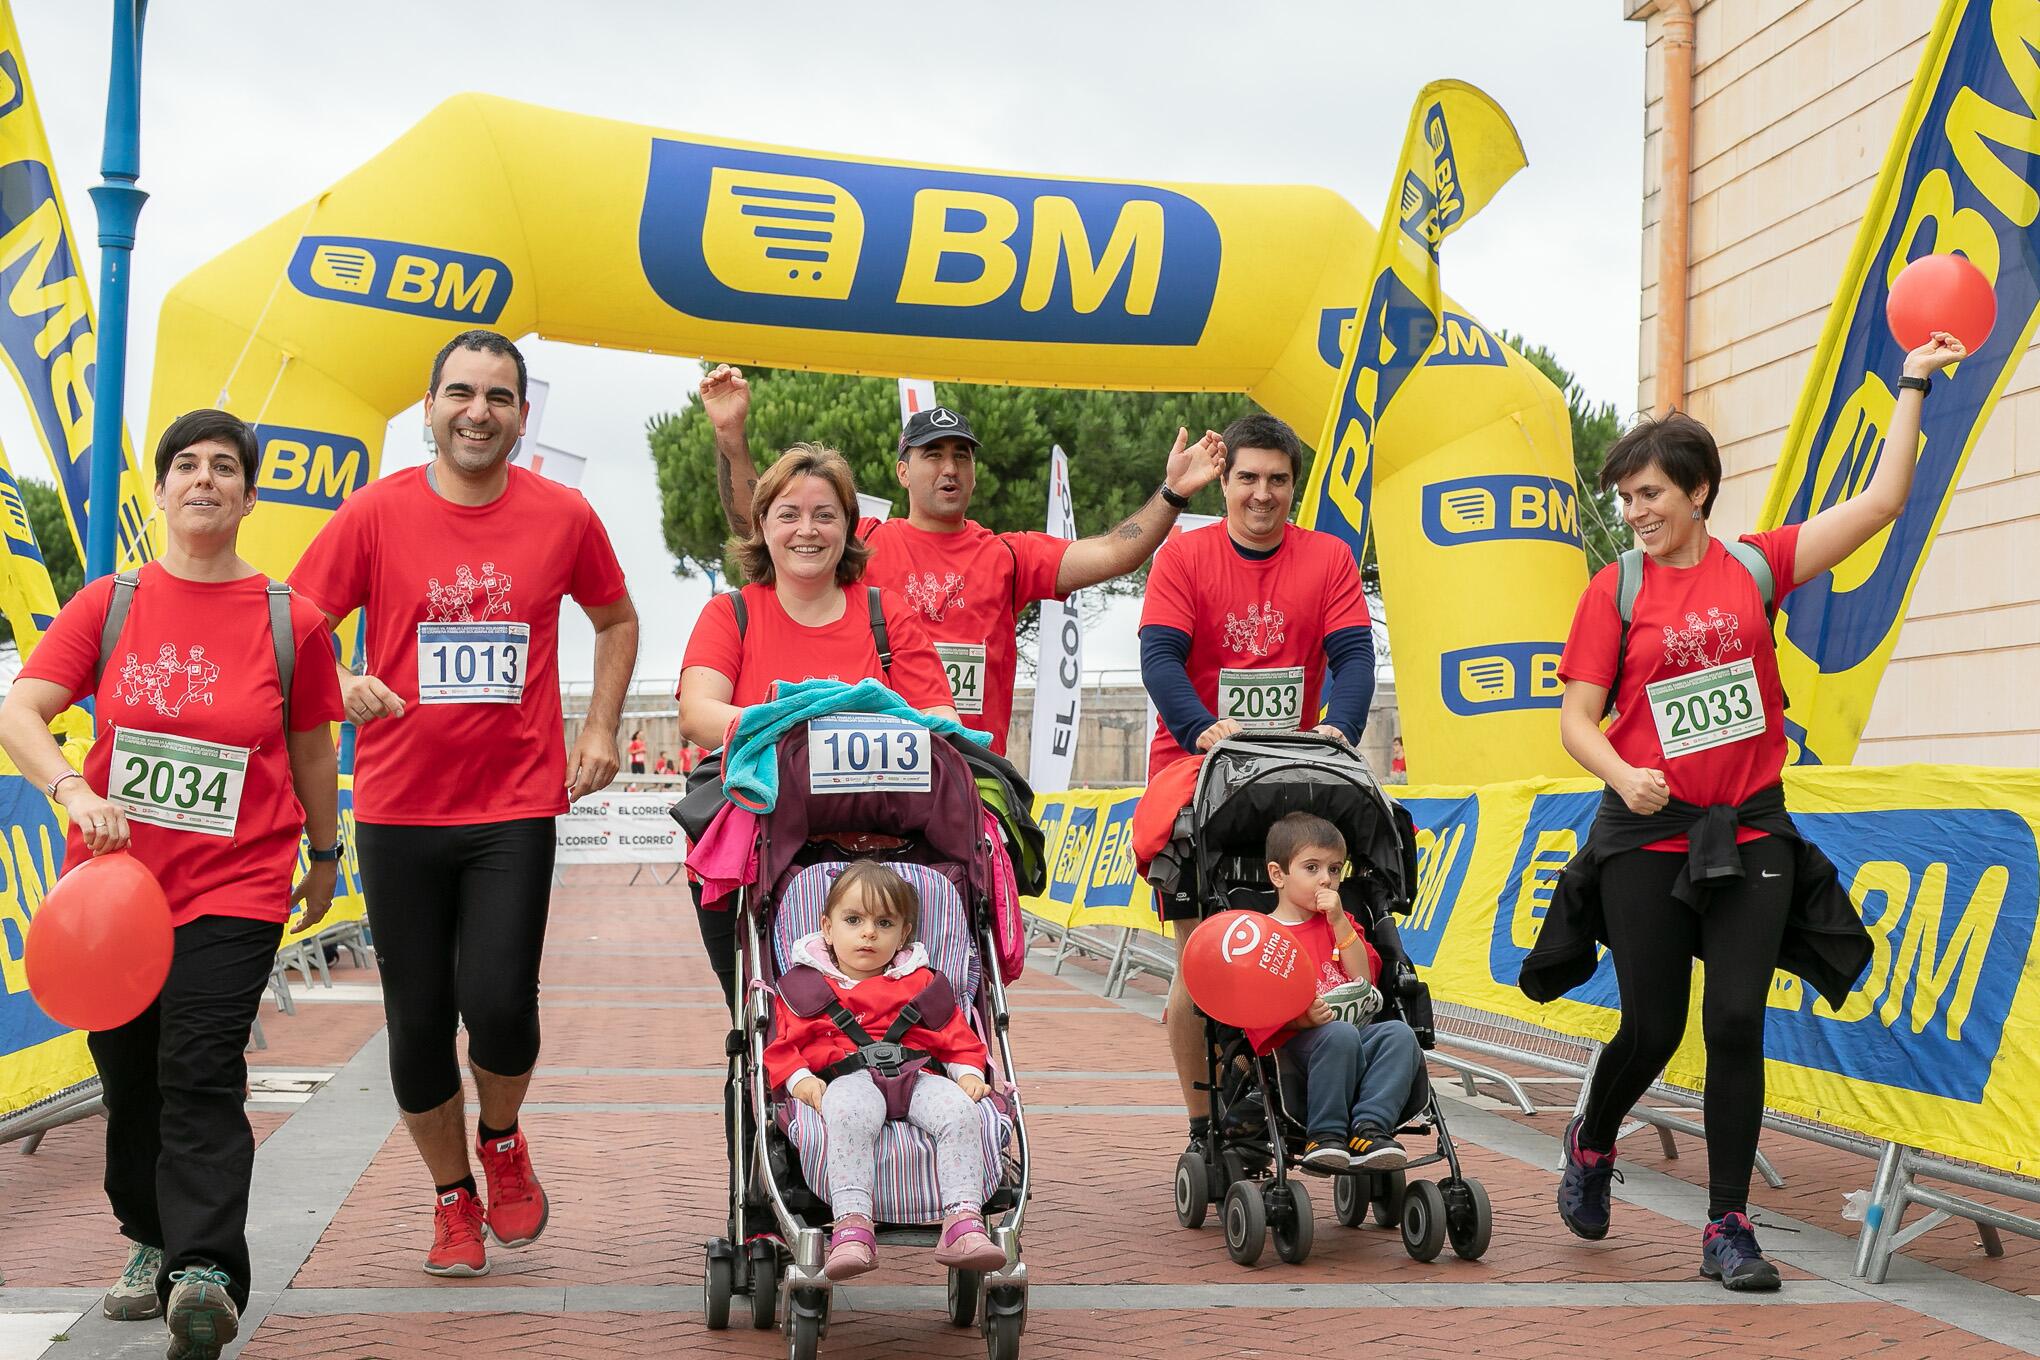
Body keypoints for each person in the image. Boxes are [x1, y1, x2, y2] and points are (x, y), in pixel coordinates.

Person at [1528, 333, 1968, 1292]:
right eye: (1627, 497)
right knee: (1653, 1026)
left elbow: (1885, 501)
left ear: (1697, 493)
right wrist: (1623, 773)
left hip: (1752, 827)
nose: (1635, 511)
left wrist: (1912, 383)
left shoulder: (1757, 567)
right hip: (1646, 829)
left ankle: (1729, 1228)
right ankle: (1593, 1138)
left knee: (1733, 1020)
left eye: (1650, 493)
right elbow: (1575, 720)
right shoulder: (1616, 590)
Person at [290, 328, 638, 1278]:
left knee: (500, 1011)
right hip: (399, 809)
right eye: (461, 394)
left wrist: (600, 727)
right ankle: (452, 1203)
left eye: (498, 396)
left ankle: (502, 1135)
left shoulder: (563, 516)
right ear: (431, 406)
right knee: (415, 1024)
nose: (478, 411)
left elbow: (615, 617)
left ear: (522, 415)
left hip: (513, 804)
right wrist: (340, 681)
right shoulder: (374, 514)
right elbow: (294, 621)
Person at [0, 410, 344, 1360]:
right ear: (161, 491)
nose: (204, 479)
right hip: (112, 893)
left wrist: (323, 854)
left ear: (247, 493)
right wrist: (71, 786)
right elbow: (20, 709)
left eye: (224, 467)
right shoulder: (109, 603)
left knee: (198, 1066)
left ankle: (204, 1272)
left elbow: (313, 746)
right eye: (185, 465)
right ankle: (148, 1237)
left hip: (235, 884)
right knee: (131, 1079)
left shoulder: (290, 618)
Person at [699, 364, 1224, 754]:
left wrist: (1172, 492)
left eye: (961, 455)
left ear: (973, 471)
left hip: (972, 775)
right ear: (903, 471)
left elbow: (1114, 553)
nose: (949, 468)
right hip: (879, 774)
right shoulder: (860, 543)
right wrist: (731, 439)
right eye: (933, 454)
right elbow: (761, 522)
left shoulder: (1007, 555)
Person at [1136, 412, 1377, 1150]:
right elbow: (1161, 658)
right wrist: (1201, 726)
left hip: (1291, 775)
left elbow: (1355, 659)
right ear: (1227, 482)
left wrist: (1340, 725)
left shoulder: (1329, 558)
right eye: (1248, 478)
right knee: (1201, 960)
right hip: (1197, 773)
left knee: (1312, 940)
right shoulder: (1185, 557)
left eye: (1278, 480)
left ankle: (1313, 1095)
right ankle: (1205, 1120)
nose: (1262, 494)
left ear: (1293, 487)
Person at [678, 442, 955, 1002]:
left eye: (825, 514)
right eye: (789, 514)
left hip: (883, 855)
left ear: (848, 527)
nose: (808, 530)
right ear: (763, 525)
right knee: (759, 1012)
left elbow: (939, 718)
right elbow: (699, 713)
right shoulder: (730, 613)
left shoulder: (887, 614)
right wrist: (806, 725)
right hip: (759, 849)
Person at [763, 862, 1008, 1279]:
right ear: (827, 927)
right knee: (848, 1116)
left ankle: (963, 1220)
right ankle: (853, 1225)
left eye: (884, 923)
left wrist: (966, 1070)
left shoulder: (921, 982)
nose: (868, 933)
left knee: (960, 1113)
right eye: (853, 920)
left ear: (903, 935)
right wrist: (801, 1080)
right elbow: (784, 1046)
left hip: (918, 1075)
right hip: (846, 1079)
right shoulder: (805, 987)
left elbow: (955, 1034)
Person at [1247, 814, 1423, 1174]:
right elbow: (1257, 1008)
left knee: (1399, 1034)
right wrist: (1301, 1018)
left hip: (1351, 1035)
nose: (1326, 878)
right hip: (1297, 1045)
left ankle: (1370, 1127)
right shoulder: (1264, 936)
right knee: (1339, 1034)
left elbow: (1364, 980)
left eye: (1335, 869)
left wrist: (1340, 923)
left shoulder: (1340, 924)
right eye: (1311, 868)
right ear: (1278, 875)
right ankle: (1324, 1134)